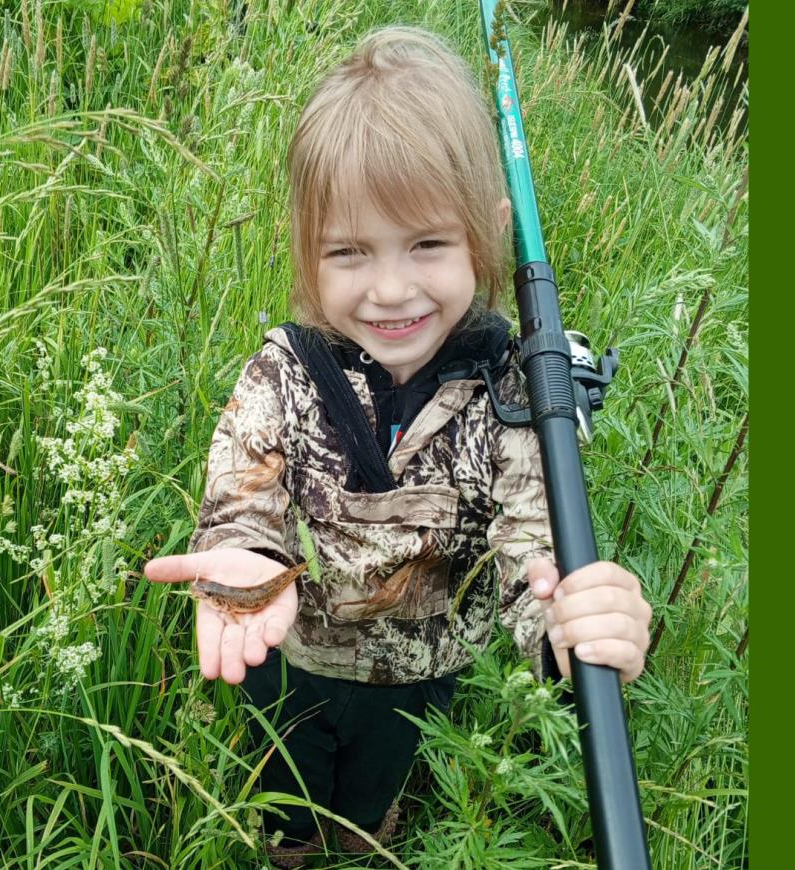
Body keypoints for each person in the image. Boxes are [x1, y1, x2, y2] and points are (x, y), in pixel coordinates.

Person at [143, 25, 652, 868]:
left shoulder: (513, 396)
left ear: (486, 234)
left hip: (421, 681)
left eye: (426, 244)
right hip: (289, 655)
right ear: (308, 253)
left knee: (371, 799)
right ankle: (293, 848)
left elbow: (536, 555)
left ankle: (357, 840)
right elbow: (244, 498)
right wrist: (239, 560)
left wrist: (571, 628)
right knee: (289, 793)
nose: (389, 289)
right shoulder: (285, 371)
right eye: (348, 252)